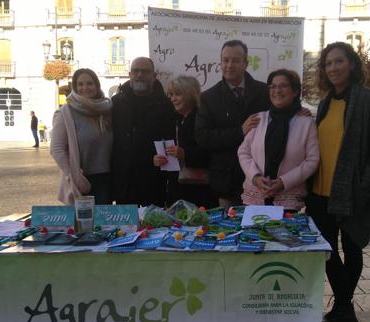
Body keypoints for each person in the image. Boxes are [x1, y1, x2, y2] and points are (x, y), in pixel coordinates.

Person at [305, 42, 370, 322]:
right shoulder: (326, 102)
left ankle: (344, 313)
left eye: (339, 61)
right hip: (320, 191)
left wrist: (365, 186)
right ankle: (344, 310)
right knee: (326, 253)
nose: (333, 68)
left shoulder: (368, 100)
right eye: (328, 63)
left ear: (352, 64)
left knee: (352, 246)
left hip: (352, 191)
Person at [195, 40, 270, 209]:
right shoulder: (209, 97)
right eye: (225, 60)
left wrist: (299, 112)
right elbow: (203, 137)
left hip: (262, 180)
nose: (229, 65)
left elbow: (282, 117)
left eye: (235, 60)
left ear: (246, 63)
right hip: (227, 182)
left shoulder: (265, 92)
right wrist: (239, 131)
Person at [237, 69, 319, 211]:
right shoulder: (258, 119)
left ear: (294, 91)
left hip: (287, 199)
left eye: (283, 86)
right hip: (256, 197)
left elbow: (312, 161)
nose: (277, 90)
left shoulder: (306, 123)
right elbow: (243, 152)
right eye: (273, 86)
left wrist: (283, 182)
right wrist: (255, 177)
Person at [111, 57, 177, 207]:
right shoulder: (116, 103)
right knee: (126, 230)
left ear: (154, 76)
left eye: (145, 71)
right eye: (135, 71)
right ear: (129, 74)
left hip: (154, 182)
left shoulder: (166, 105)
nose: (139, 74)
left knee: (154, 228)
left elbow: (171, 141)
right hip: (124, 182)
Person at [51, 68, 113, 205]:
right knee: (84, 224)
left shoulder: (106, 110)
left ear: (97, 86)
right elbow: (56, 149)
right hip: (82, 180)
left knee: (105, 224)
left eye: (90, 83)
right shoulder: (65, 113)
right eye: (80, 84)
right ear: (75, 87)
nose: (85, 87)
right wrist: (72, 175)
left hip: (107, 179)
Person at [153, 75, 217, 208]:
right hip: (176, 189)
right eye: (171, 94)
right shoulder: (172, 119)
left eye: (178, 94)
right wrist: (159, 159)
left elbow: (213, 152)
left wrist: (185, 154)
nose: (172, 99)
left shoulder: (204, 118)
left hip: (200, 191)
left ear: (190, 94)